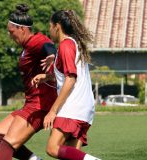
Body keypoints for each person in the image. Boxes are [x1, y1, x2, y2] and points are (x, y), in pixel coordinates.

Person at [0, 4, 57, 160]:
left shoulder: (35, 41)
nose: (9, 35)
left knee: (7, 144)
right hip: (31, 103)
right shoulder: (26, 47)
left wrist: (52, 55)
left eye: (11, 31)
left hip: (40, 105)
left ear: (22, 29)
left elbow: (47, 45)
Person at [31, 10, 100, 160]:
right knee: (71, 155)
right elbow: (67, 76)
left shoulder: (66, 45)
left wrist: (53, 111)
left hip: (72, 108)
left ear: (57, 26)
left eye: (50, 26)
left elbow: (70, 79)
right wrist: (47, 77)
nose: (49, 30)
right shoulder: (73, 45)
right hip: (84, 109)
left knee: (52, 148)